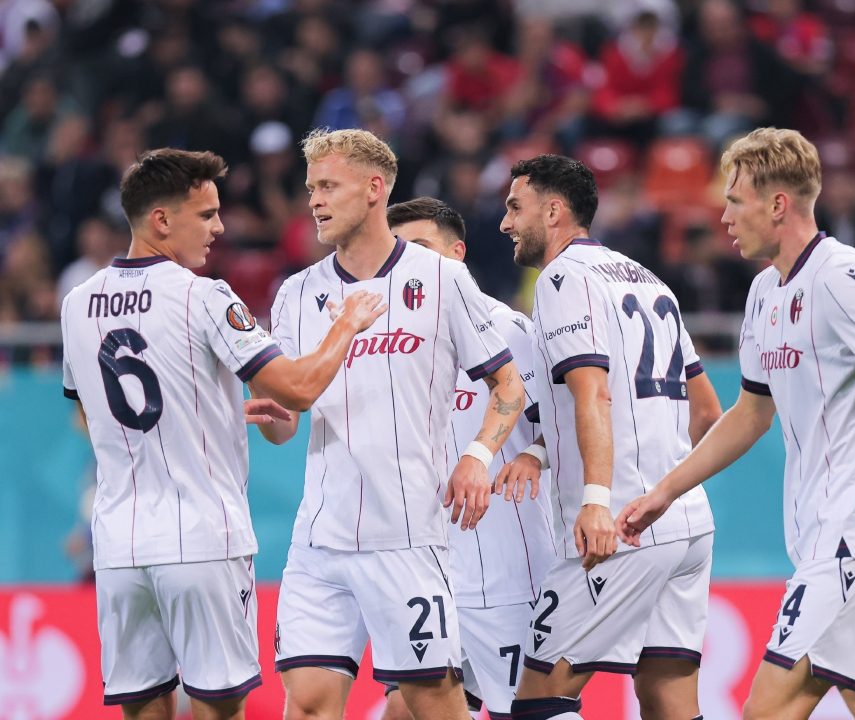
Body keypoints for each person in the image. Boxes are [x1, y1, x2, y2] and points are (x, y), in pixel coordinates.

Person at [617, 127, 855, 719]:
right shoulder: (765, 291)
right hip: (824, 538)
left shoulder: (843, 275)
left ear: (777, 204)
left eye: (735, 200)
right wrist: (665, 490)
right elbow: (750, 414)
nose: (725, 215)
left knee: (765, 711)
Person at [59, 148, 387, 719]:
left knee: (143, 710)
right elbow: (298, 389)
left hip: (118, 544)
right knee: (220, 709)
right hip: (202, 541)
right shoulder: (203, 295)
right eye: (206, 214)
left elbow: (92, 413)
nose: (220, 227)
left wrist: (200, 415)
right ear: (162, 220)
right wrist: (348, 322)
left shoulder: (76, 304)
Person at [260, 129, 525, 720]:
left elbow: (508, 385)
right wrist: (272, 419)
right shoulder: (297, 294)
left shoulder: (441, 280)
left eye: (328, 186)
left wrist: (477, 457)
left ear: (375, 188)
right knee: (305, 705)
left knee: (433, 703)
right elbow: (283, 425)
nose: (315, 201)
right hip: (319, 537)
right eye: (310, 188)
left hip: (405, 534)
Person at [501, 154, 723, 720]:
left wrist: (598, 500)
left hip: (620, 524)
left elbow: (592, 393)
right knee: (667, 699)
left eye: (515, 208)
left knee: (537, 702)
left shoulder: (560, 278)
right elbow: (706, 412)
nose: (505, 223)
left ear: (553, 212)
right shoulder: (651, 281)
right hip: (685, 520)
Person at [380, 196, 555, 720]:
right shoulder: (396, 343)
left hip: (506, 576)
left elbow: (562, 424)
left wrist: (535, 455)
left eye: (421, 249)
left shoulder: (507, 331)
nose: (407, 264)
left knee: (522, 714)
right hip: (432, 572)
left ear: (456, 254)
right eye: (397, 252)